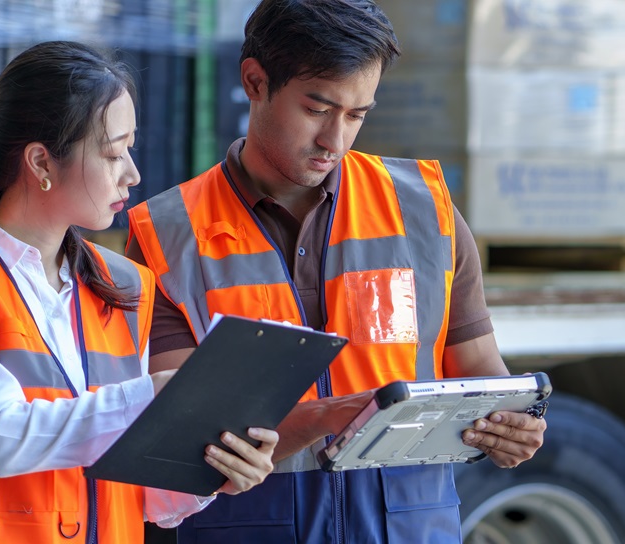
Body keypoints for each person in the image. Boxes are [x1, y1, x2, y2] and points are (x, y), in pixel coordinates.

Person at [124, 1, 547, 541]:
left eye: (356, 115)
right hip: (252, 525)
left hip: (409, 522)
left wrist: (511, 426)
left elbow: (482, 372)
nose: (336, 141)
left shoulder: (425, 211)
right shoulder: (167, 234)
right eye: (318, 108)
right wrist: (334, 415)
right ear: (255, 81)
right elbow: (184, 441)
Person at [0, 41, 278, 543]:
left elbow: (138, 490)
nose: (133, 173)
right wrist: (152, 397)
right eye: (114, 153)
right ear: (41, 163)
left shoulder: (125, 284)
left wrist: (213, 467)